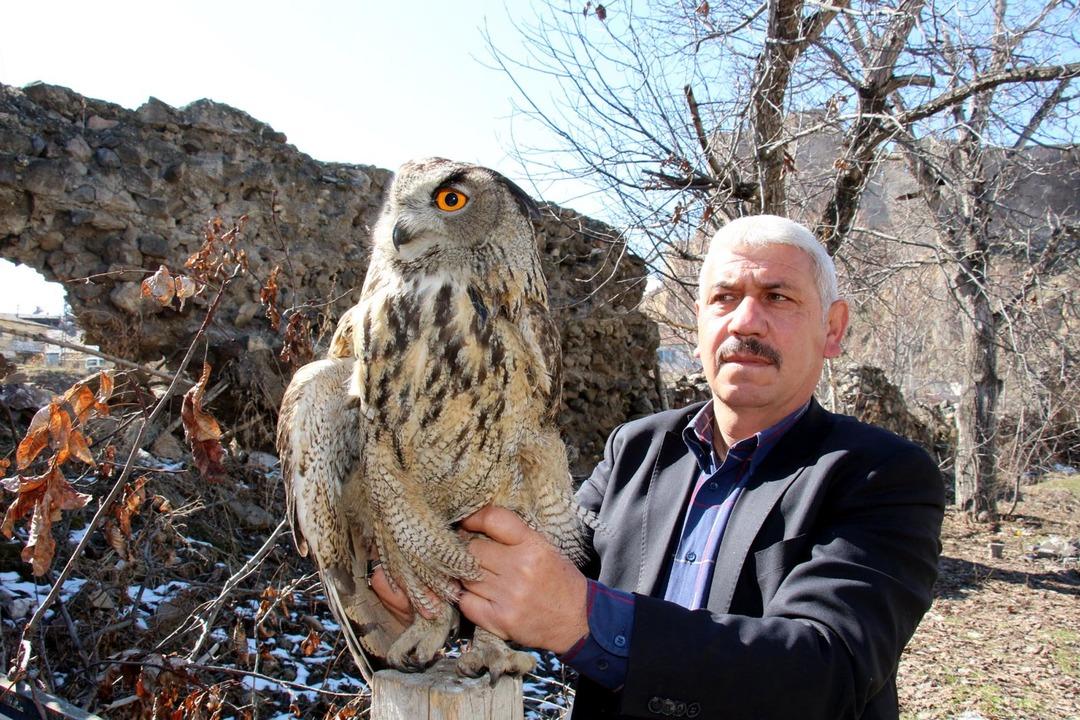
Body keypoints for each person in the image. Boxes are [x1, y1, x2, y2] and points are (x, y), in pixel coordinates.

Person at [375, 214, 945, 719]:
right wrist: (439, 596)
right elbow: (545, 575)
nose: (746, 321)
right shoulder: (637, 448)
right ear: (696, 325)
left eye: (778, 297)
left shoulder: (881, 475)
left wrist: (585, 619)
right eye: (724, 297)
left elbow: (828, 672)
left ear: (834, 328)